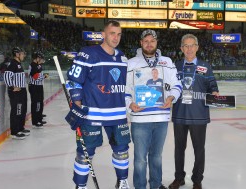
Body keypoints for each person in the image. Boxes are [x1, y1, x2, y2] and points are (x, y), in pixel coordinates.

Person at [65, 20, 131, 189]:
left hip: (117, 114)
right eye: (112, 33)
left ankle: (122, 181)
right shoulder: (88, 53)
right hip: (92, 113)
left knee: (122, 150)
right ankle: (81, 186)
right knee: (85, 153)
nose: (116, 37)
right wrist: (78, 105)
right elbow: (73, 81)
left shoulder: (122, 57)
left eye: (119, 34)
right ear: (103, 34)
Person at [125, 29, 182, 189]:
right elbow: (125, 89)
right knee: (140, 159)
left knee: (156, 156)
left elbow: (177, 84)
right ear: (141, 43)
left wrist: (171, 97)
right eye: (146, 41)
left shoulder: (167, 62)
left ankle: (156, 185)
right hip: (140, 119)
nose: (149, 44)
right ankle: (140, 187)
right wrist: (130, 103)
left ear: (156, 43)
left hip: (161, 118)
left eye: (152, 41)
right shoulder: (131, 63)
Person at [169, 34, 219, 189]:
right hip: (179, 115)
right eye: (186, 45)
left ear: (197, 47)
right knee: (179, 149)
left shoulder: (205, 66)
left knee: (199, 149)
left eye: (192, 45)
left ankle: (197, 180)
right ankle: (179, 178)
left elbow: (213, 87)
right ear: (181, 48)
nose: (189, 49)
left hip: (199, 115)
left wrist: (215, 93)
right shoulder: (174, 66)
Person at [3, 47, 30, 140]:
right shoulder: (12, 64)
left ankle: (20, 128)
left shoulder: (18, 64)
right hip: (16, 92)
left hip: (21, 90)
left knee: (22, 110)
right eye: (22, 54)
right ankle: (15, 132)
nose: (24, 55)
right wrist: (12, 87)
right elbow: (6, 76)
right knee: (17, 110)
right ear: (17, 54)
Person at [28, 51, 47, 128]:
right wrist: (44, 76)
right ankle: (35, 122)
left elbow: (39, 75)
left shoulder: (38, 65)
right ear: (37, 58)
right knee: (36, 104)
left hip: (39, 86)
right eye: (41, 58)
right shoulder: (32, 65)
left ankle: (39, 118)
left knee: (40, 103)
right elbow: (35, 78)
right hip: (34, 86)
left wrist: (43, 76)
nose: (42, 60)